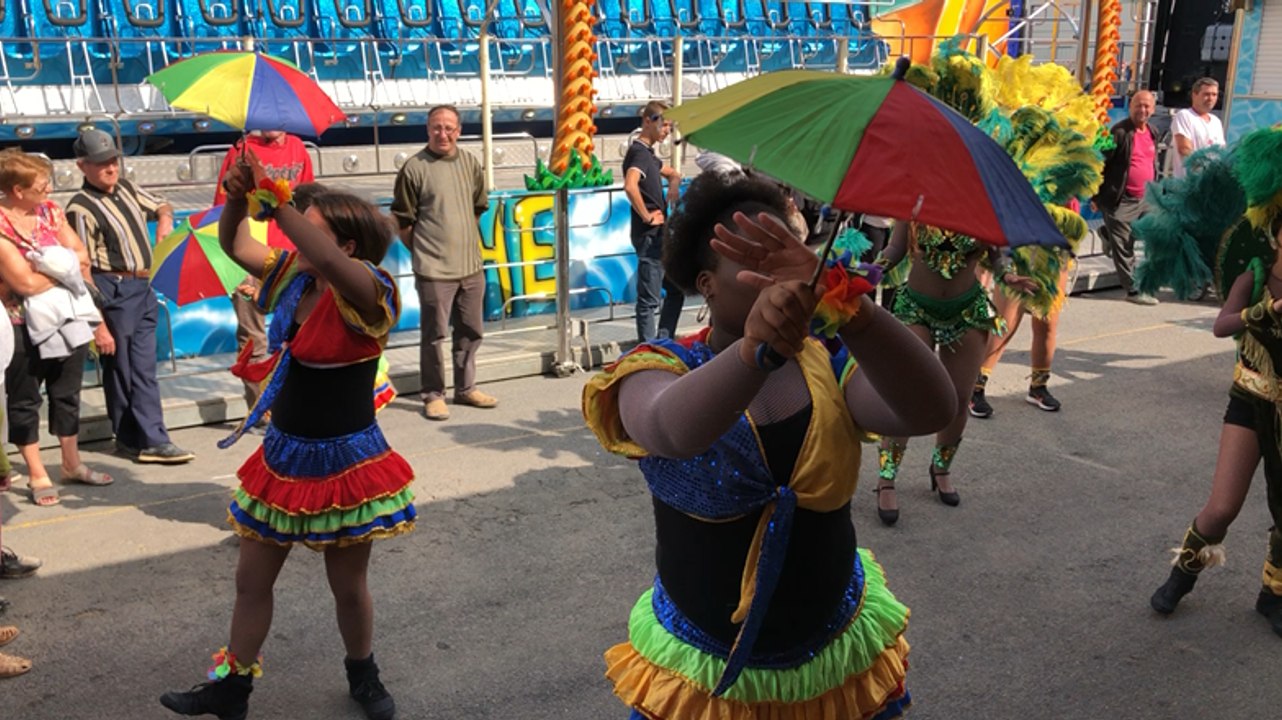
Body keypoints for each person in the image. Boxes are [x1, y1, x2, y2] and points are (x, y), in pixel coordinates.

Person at [582, 173, 955, 718]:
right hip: (705, 670)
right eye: (758, 260)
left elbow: (930, 409)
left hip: (830, 655)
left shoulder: (828, 361)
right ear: (706, 284)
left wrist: (851, 306)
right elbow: (670, 429)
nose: (781, 276)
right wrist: (755, 351)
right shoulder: (657, 369)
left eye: (790, 255)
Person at [160, 152, 416, 720]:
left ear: (346, 246)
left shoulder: (371, 291)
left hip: (348, 461)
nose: (293, 229)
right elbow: (235, 245)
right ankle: (230, 687)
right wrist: (235, 196)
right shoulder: (296, 276)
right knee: (250, 583)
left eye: (311, 224)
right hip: (281, 457)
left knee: (347, 587)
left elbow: (318, 247)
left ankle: (363, 674)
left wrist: (276, 200)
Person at [1142, 127, 1282, 637]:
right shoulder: (1256, 266)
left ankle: (1273, 594)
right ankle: (1183, 574)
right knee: (1223, 506)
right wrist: (1265, 309)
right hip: (1251, 396)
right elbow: (1222, 324)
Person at [64, 128, 194, 464]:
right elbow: (83, 267)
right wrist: (98, 322)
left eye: (112, 161)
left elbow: (162, 203)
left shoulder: (125, 187)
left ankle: (141, 436)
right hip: (114, 288)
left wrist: (164, 221)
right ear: (83, 167)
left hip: (142, 285)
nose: (110, 169)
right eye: (101, 164)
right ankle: (141, 437)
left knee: (140, 366)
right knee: (122, 367)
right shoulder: (80, 208)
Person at [0, 148, 113, 506]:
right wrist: (63, 270)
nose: (48, 192)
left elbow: (82, 255)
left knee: (67, 393)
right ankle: (36, 472)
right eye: (41, 187)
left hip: (66, 317)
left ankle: (71, 462)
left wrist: (54, 267)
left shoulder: (51, 212)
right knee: (25, 398)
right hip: (19, 323)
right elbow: (24, 285)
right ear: (18, 191)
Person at [873, 223, 1006, 524]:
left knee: (958, 399)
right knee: (907, 395)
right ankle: (886, 477)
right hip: (916, 308)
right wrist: (868, 271)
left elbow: (997, 257)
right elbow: (895, 249)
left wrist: (1008, 274)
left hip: (967, 310)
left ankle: (941, 468)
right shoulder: (917, 201)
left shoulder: (981, 204)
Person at [391, 105, 497, 421]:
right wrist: (426, 252)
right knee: (434, 335)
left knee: (471, 331)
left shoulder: (470, 163)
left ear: (459, 131)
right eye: (437, 127)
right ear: (427, 130)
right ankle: (433, 394)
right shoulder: (413, 168)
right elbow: (402, 222)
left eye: (449, 127)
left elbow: (477, 208)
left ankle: (465, 389)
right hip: (434, 270)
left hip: (470, 267)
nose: (443, 133)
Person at [213, 132, 316, 415]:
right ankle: (261, 410)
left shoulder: (297, 147)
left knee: (297, 337)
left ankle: (297, 404)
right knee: (253, 339)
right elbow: (221, 207)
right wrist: (237, 271)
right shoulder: (240, 150)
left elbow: (309, 201)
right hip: (253, 260)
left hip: (294, 259)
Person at [623, 100, 684, 342]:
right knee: (649, 300)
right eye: (664, 124)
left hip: (659, 235)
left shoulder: (647, 154)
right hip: (650, 235)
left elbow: (671, 172)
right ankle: (649, 348)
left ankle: (662, 340)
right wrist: (646, 216)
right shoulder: (638, 153)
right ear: (648, 121)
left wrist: (674, 184)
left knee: (676, 291)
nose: (667, 130)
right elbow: (630, 185)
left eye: (670, 125)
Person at [1093, 90, 1160, 305]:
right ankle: (1133, 290)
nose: (1143, 110)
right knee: (1124, 247)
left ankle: (1107, 234)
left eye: (1147, 106)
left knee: (1153, 233)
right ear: (1130, 107)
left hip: (1146, 198)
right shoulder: (1119, 132)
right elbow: (1099, 161)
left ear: (1153, 109)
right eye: (1138, 105)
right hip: (1121, 199)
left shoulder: (1153, 131)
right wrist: (1095, 195)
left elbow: (1151, 163)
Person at [1170, 78, 1225, 179]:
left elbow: (1221, 151)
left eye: (1214, 95)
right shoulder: (1184, 116)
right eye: (1206, 94)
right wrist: (1203, 168)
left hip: (1211, 184)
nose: (1211, 98)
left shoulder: (1216, 121)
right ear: (1194, 95)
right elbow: (1184, 149)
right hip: (1189, 183)